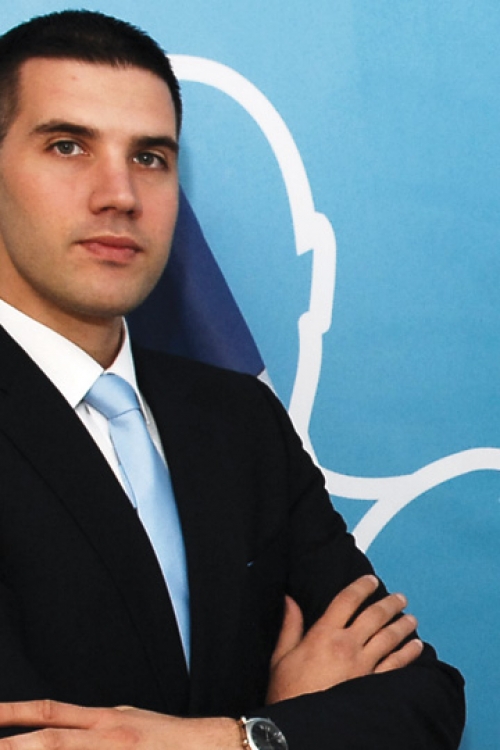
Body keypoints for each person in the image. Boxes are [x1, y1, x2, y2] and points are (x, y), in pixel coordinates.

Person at [0, 10, 464, 750]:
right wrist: (292, 725)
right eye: (67, 146)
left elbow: (425, 701)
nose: (120, 193)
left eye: (150, 156)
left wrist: (242, 736)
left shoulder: (239, 418)